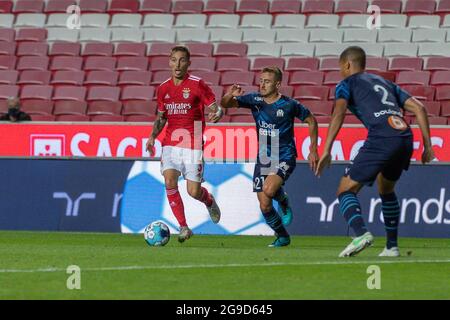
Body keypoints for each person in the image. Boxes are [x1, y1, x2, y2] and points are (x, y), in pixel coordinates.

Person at [316, 46, 435, 257]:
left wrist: (326, 149)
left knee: (345, 190)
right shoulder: (384, 82)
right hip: (405, 136)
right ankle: (391, 247)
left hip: (382, 136)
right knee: (386, 188)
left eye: (340, 67)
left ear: (346, 65)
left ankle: (361, 234)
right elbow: (420, 109)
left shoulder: (346, 84)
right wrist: (428, 146)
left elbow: (339, 113)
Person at [221, 66, 319, 247]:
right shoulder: (254, 100)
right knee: (264, 205)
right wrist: (229, 94)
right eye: (261, 81)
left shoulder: (289, 105)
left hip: (285, 154)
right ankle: (283, 236)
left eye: (267, 81)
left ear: (277, 84)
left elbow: (311, 120)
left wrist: (313, 149)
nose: (262, 84)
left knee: (269, 190)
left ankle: (283, 200)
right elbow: (226, 104)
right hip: (265, 157)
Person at [146, 46, 223, 243]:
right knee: (170, 181)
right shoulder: (163, 88)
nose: (177, 64)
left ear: (188, 63)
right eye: (174, 60)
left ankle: (209, 200)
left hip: (193, 144)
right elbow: (162, 117)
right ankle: (183, 227)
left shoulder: (197, 84)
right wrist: (153, 136)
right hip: (170, 143)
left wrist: (218, 112)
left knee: (193, 192)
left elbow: (214, 106)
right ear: (169, 62)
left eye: (182, 60)